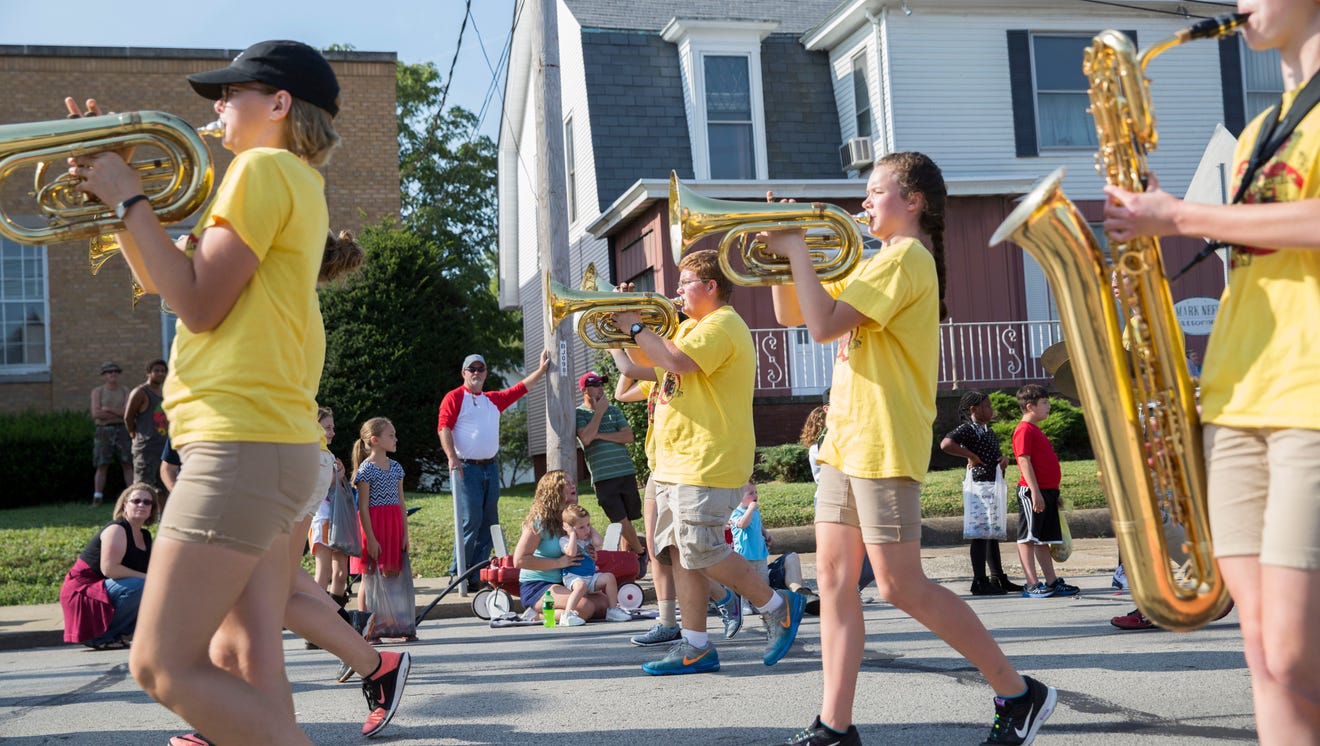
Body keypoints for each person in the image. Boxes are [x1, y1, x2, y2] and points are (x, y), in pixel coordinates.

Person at [64, 40, 408, 745]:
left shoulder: (261, 168)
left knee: (161, 664)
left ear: (280, 105)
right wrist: (116, 202)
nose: (217, 108)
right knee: (240, 654)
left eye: (231, 94)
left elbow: (196, 304)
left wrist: (128, 192)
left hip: (238, 442)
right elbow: (170, 283)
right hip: (258, 441)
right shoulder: (289, 177)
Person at [763, 151, 1055, 745]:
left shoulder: (907, 260)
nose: (864, 203)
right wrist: (775, 258)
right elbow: (798, 311)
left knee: (899, 585)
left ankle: (1019, 692)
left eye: (875, 192)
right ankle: (835, 725)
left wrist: (796, 248)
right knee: (835, 579)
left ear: (913, 201)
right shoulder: (876, 262)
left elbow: (823, 328)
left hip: (883, 439)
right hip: (845, 440)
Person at [1103, 6, 1320, 739]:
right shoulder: (1261, 129)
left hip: (1308, 394)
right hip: (1235, 395)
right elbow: (1245, 249)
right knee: (1262, 655)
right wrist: (1152, 217)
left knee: (1295, 654)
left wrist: (1182, 216)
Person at [613, 248, 806, 676]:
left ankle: (776, 605)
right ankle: (696, 646)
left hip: (706, 460)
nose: (676, 291)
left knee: (701, 549)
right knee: (679, 554)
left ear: (711, 286)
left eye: (684, 283)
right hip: (671, 462)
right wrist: (618, 323)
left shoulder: (722, 325)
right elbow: (640, 366)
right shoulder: (689, 328)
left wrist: (636, 323)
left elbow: (676, 362)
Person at [438, 349, 551, 589]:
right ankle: (457, 571)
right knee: (471, 520)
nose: (476, 373)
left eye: (480, 369)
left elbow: (520, 388)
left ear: (486, 373)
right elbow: (444, 427)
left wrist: (541, 370)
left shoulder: (493, 399)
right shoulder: (455, 397)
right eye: (472, 369)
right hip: (466, 468)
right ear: (464, 373)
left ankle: (477, 572)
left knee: (490, 521)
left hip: (490, 467)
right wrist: (451, 457)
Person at [940, 390, 1022, 595]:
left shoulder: (987, 431)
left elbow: (994, 455)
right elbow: (946, 444)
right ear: (973, 409)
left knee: (991, 533)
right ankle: (979, 581)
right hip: (979, 487)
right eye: (986, 406)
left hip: (992, 484)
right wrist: (971, 456)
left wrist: (1003, 459)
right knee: (980, 533)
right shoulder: (968, 429)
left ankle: (998, 577)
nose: (990, 410)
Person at [60, 483, 159, 649]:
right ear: (124, 505)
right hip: (83, 592)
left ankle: (120, 634)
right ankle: (99, 636)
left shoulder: (145, 536)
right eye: (136, 501)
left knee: (157, 587)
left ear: (152, 509)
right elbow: (110, 569)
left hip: (107, 589)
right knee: (142, 585)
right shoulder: (117, 529)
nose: (141, 505)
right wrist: (150, 579)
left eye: (147, 502)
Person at [513, 470, 610, 622]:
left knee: (605, 605)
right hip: (538, 585)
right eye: (568, 484)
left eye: (573, 482)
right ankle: (537, 615)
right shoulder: (539, 521)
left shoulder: (572, 518)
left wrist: (590, 554)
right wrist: (558, 563)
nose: (574, 486)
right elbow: (519, 560)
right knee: (585, 608)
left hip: (568, 581)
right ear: (555, 491)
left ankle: (561, 610)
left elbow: (584, 545)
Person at [1012, 384, 1079, 600]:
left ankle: (1051, 581)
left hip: (1047, 492)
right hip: (1033, 492)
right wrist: (1035, 492)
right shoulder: (1023, 430)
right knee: (1028, 537)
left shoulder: (1035, 430)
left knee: (1042, 539)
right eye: (1045, 403)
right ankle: (1031, 583)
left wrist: (1052, 494)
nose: (1049, 406)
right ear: (1030, 406)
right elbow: (1023, 461)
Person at [575, 370, 647, 566]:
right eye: (596, 385)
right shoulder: (579, 413)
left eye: (602, 384)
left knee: (627, 521)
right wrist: (598, 413)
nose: (601, 388)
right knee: (619, 518)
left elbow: (628, 437)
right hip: (603, 477)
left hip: (625, 471)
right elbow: (587, 438)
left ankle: (628, 561)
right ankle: (641, 553)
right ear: (585, 389)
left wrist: (599, 435)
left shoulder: (614, 411)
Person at [350, 418, 411, 638]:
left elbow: (402, 503)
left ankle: (395, 623)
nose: (395, 439)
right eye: (391, 435)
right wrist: (371, 538)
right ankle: (366, 627)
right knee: (370, 576)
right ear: (375, 440)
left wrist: (405, 533)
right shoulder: (366, 470)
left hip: (393, 524)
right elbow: (363, 507)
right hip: (374, 527)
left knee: (392, 574)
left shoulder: (396, 468)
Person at [559, 504, 633, 624]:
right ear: (569, 528)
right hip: (574, 577)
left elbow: (599, 542)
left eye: (588, 525)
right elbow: (571, 552)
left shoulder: (588, 539)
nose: (587, 530)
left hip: (590, 577)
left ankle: (613, 610)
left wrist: (588, 528)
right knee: (581, 586)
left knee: (609, 577)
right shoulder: (565, 540)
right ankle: (567, 614)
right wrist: (572, 534)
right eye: (581, 527)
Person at [309, 406, 351, 607]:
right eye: (327, 427)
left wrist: (340, 478)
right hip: (322, 518)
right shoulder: (310, 453)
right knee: (323, 572)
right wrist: (336, 478)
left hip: (338, 518)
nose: (332, 432)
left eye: (332, 427)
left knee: (341, 573)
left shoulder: (329, 455)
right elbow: (314, 485)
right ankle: (318, 620)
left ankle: (335, 618)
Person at [90, 361, 133, 506]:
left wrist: (107, 409)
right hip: (103, 431)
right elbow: (96, 413)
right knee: (102, 464)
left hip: (123, 429)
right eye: (109, 372)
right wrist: (117, 413)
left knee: (127, 463)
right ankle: (97, 496)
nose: (113, 374)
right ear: (103, 375)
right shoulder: (98, 391)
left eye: (115, 371)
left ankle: (132, 495)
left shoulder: (125, 391)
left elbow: (127, 412)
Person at [124, 358, 169, 492]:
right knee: (142, 488)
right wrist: (133, 433)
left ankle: (163, 514)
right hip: (146, 448)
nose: (160, 374)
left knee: (163, 489)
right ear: (148, 373)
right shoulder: (140, 392)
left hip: (164, 448)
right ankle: (135, 512)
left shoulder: (166, 393)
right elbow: (128, 416)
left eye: (163, 371)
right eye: (156, 371)